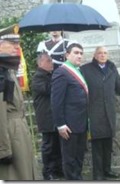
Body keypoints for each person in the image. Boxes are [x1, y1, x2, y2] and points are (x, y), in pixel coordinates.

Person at [80, 46, 120, 180]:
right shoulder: (85, 70)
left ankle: (107, 170)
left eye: (105, 53)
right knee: (97, 146)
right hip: (94, 113)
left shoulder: (112, 68)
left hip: (109, 113)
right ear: (95, 56)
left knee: (108, 144)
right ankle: (98, 175)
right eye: (100, 53)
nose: (103, 55)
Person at [0, 24, 38, 180]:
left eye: (18, 43)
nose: (18, 47)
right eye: (13, 44)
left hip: (17, 129)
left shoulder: (7, 69)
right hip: (10, 133)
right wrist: (3, 149)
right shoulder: (1, 73)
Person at [51, 43, 88, 180]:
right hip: (69, 126)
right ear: (67, 55)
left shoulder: (79, 71)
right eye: (76, 53)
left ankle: (78, 178)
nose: (79, 56)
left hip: (81, 124)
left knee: (79, 157)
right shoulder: (61, 72)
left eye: (81, 53)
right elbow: (56, 101)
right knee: (70, 159)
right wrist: (60, 124)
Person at [31, 52, 63, 180]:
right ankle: (47, 171)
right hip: (46, 116)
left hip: (54, 116)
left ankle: (57, 169)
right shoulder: (38, 77)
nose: (52, 63)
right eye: (49, 61)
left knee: (57, 145)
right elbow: (49, 89)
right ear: (41, 63)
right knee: (48, 145)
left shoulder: (51, 75)